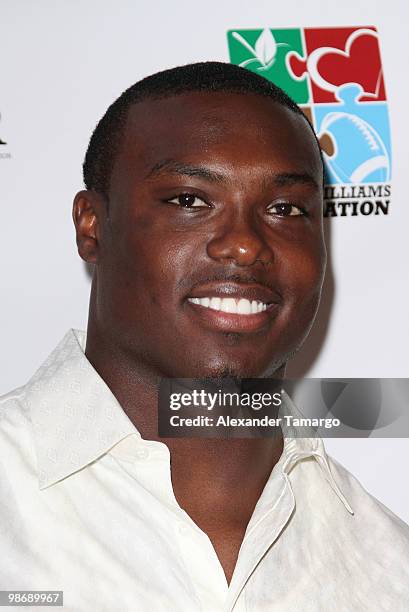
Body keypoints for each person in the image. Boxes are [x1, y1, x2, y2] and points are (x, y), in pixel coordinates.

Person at [0, 62, 408, 611]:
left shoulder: (388, 565)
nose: (244, 245)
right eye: (190, 200)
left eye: (286, 209)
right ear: (91, 225)